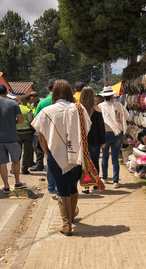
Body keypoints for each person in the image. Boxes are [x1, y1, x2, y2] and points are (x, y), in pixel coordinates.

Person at [32, 79, 91, 236]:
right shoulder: (80, 109)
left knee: (62, 188)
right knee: (72, 187)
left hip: (55, 156)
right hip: (76, 155)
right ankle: (70, 218)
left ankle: (66, 225)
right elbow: (87, 131)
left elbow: (42, 139)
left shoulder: (47, 111)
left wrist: (48, 153)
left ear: (54, 92)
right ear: (69, 91)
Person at [0, 84, 27, 194]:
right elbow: (21, 119)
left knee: (2, 163)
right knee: (16, 161)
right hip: (12, 137)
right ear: (7, 92)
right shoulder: (13, 103)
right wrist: (13, 123)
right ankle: (17, 182)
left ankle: (6, 186)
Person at [98, 86, 129, 188]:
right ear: (112, 95)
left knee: (105, 157)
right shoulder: (119, 105)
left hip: (105, 134)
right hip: (117, 133)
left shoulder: (100, 106)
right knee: (115, 158)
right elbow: (126, 116)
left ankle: (105, 178)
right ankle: (116, 181)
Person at [79, 86, 105, 194]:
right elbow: (101, 127)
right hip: (95, 141)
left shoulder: (78, 109)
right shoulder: (97, 109)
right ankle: (95, 182)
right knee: (94, 162)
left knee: (84, 163)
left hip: (82, 140)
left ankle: (86, 186)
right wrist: (103, 141)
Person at [34, 79, 58, 193]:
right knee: (60, 161)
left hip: (45, 136)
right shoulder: (61, 102)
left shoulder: (42, 103)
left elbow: (36, 120)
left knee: (49, 160)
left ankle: (51, 187)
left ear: (48, 89)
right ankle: (58, 187)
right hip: (59, 136)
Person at [16, 94, 35, 175]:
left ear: (20, 101)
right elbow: (31, 121)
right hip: (27, 134)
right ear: (27, 101)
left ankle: (13, 169)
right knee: (27, 153)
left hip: (17, 134)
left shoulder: (15, 109)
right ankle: (24, 169)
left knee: (16, 152)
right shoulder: (28, 110)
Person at [28, 92, 44, 171]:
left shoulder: (39, 104)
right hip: (33, 128)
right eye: (31, 97)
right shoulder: (32, 105)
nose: (32, 98)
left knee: (38, 147)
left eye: (34, 96)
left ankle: (39, 165)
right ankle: (36, 163)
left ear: (38, 97)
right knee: (35, 147)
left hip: (38, 128)